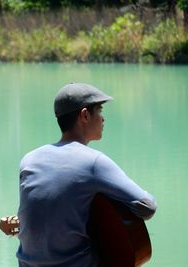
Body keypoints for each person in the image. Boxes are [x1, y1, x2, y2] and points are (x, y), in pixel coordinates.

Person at [17, 83, 157, 267]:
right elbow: (147, 206)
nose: (103, 118)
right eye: (99, 110)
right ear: (84, 115)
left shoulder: (29, 160)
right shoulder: (94, 162)